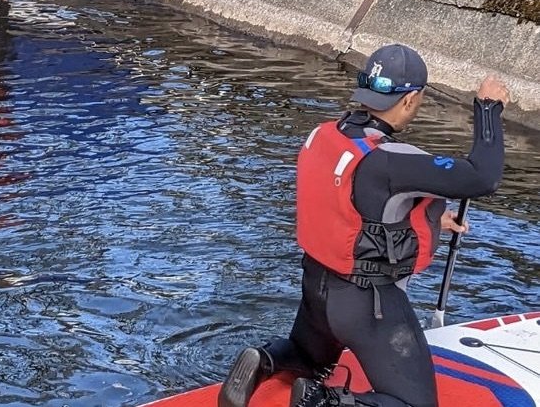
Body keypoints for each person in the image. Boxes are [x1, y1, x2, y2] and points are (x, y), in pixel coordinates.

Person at [218, 44, 510, 407]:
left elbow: (354, 208)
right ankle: (324, 402)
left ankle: (267, 360)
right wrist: (487, 108)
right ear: (411, 100)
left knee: (311, 358)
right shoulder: (390, 160)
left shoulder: (324, 135)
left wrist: (434, 221)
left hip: (316, 287)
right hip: (365, 303)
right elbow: (482, 177)